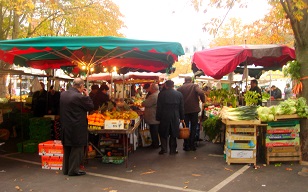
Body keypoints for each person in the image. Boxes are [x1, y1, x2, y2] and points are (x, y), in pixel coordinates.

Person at [60, 78, 94, 176]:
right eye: (83, 86)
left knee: (67, 148)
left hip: (65, 125)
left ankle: (66, 169)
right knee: (77, 148)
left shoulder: (63, 94)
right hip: (77, 126)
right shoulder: (79, 97)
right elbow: (90, 106)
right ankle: (73, 170)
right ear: (80, 86)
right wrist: (87, 95)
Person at [156, 80, 184, 155]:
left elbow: (159, 107)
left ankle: (164, 149)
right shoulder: (179, 94)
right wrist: (182, 117)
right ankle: (173, 150)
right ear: (173, 85)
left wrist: (158, 117)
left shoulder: (161, 94)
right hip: (175, 115)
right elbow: (181, 107)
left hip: (164, 115)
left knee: (163, 132)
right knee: (173, 132)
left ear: (166, 85)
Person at [177, 76, 205, 151]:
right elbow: (201, 92)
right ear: (191, 80)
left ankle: (186, 145)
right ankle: (192, 145)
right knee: (193, 127)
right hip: (194, 110)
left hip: (184, 110)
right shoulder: (194, 86)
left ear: (185, 80)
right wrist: (203, 100)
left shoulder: (180, 88)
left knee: (185, 128)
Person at [142, 83, 160, 149]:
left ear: (153, 89)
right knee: (155, 131)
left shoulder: (153, 96)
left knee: (154, 132)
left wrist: (143, 102)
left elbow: (145, 103)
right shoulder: (158, 94)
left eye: (150, 88)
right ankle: (156, 144)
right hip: (155, 116)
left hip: (153, 117)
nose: (149, 90)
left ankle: (155, 145)